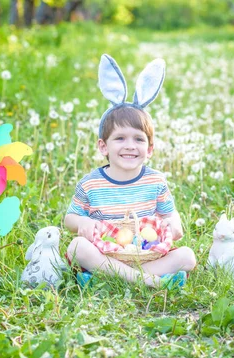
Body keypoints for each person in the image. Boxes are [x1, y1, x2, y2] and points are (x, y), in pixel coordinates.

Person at [64, 54, 196, 289]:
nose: (130, 146)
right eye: (120, 138)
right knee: (76, 247)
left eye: (138, 139)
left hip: (147, 252)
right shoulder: (91, 184)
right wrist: (82, 222)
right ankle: (148, 281)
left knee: (187, 256)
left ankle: (107, 280)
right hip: (104, 254)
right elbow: (69, 219)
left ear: (150, 149)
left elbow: (169, 215)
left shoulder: (155, 181)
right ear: (103, 146)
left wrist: (174, 226)